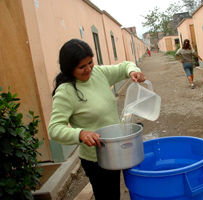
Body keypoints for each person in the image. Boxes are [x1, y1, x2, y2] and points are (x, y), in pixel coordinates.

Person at [48, 38, 146, 200]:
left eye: (90, 63)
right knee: (108, 196)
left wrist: (132, 71)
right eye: (81, 67)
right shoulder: (65, 92)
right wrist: (80, 134)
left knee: (129, 187)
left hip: (118, 148)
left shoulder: (98, 73)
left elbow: (124, 66)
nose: (88, 69)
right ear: (69, 68)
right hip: (97, 158)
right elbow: (54, 129)